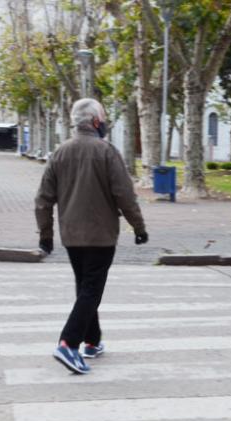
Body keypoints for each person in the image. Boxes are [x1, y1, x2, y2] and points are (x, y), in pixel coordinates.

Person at [34, 98, 148, 375]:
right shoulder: (107, 151)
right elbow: (125, 195)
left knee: (85, 287)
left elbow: (42, 199)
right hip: (101, 236)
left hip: (71, 236)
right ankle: (67, 343)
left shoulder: (59, 153)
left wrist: (46, 236)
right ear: (96, 122)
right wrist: (139, 227)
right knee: (91, 290)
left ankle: (92, 341)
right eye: (104, 118)